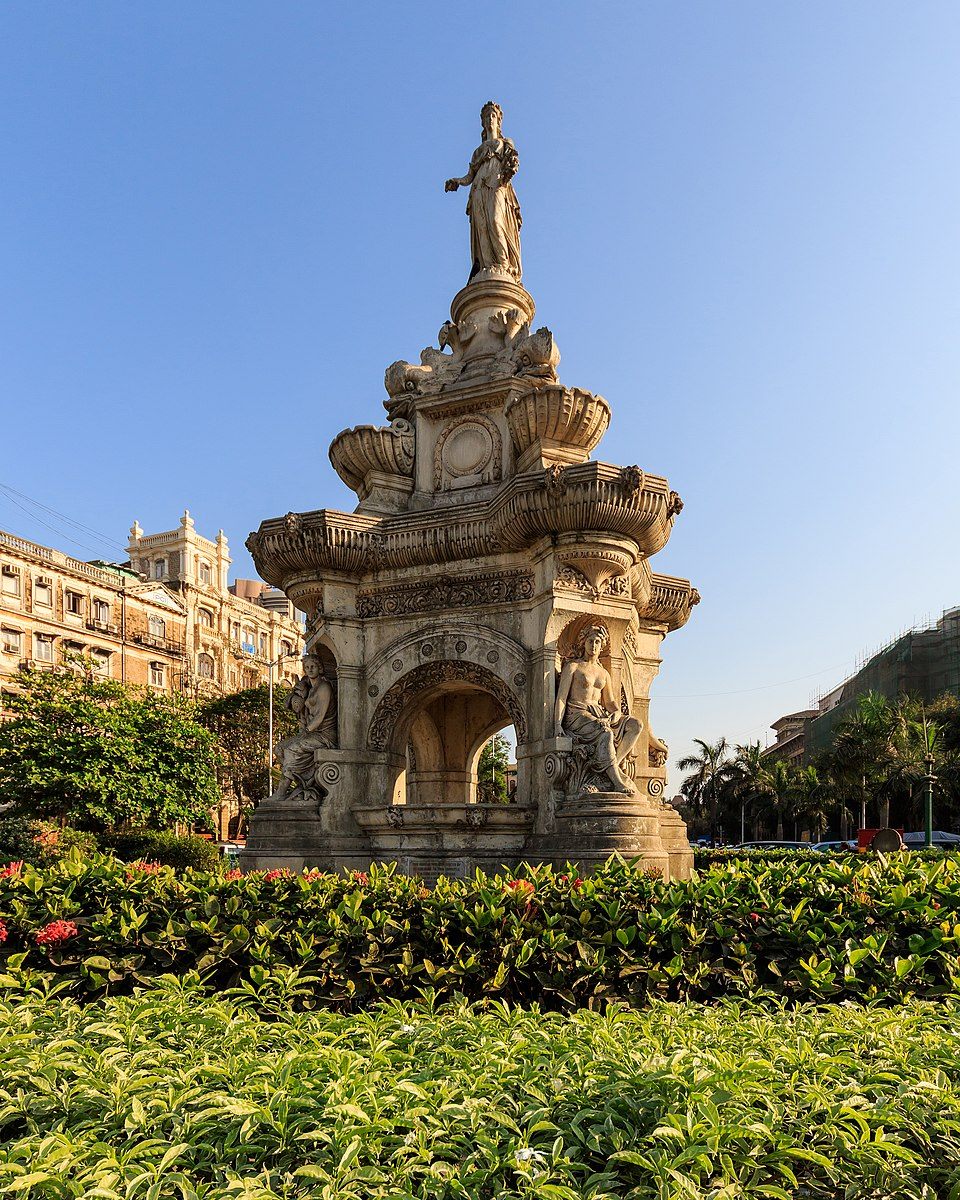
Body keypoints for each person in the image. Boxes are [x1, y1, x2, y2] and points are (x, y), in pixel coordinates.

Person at [554, 624, 642, 793]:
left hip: (599, 714)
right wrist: (557, 724)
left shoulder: (604, 674)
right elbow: (562, 699)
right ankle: (616, 782)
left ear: (602, 646)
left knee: (636, 725)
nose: (593, 645)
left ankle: (614, 765)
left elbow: (609, 703)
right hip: (577, 714)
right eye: (590, 641)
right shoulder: (573, 667)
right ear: (584, 643)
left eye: (597, 642)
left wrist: (616, 713)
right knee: (606, 733)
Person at [445, 101, 522, 282]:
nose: (489, 119)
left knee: (495, 221)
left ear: (498, 121)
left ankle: (502, 265)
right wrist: (457, 181)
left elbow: (513, 162)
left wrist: (508, 172)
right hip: (478, 187)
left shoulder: (504, 143)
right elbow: (470, 175)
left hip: (497, 184)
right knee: (482, 226)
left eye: (493, 116)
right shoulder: (478, 151)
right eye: (486, 117)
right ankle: (487, 266)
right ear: (482, 122)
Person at [272, 653, 336, 801]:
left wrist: (305, 732)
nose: (310, 669)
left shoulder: (324, 688)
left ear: (319, 668)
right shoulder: (311, 687)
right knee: (279, 748)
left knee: (292, 750)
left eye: (313, 666)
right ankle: (302, 782)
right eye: (307, 667)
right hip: (311, 733)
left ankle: (281, 792)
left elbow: (320, 716)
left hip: (324, 735)